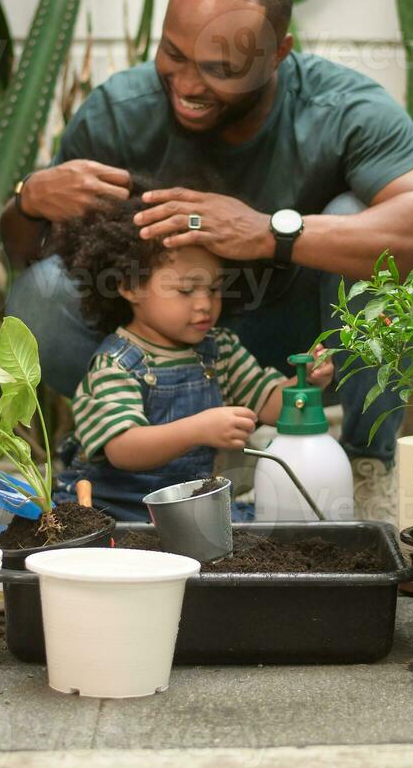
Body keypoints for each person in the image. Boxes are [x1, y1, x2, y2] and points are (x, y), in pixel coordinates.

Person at [0, 0, 413, 517]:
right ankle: (135, 455)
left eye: (220, 70)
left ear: (279, 54)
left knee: (361, 222)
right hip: (155, 356)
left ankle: (363, 466)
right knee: (45, 293)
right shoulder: (120, 113)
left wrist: (273, 232)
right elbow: (29, 253)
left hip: (304, 344)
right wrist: (29, 201)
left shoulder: (338, 107)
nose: (187, 84)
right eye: (172, 54)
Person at [48, 190, 333, 522]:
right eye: (185, 290)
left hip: (189, 511)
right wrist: (197, 429)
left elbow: (268, 403)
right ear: (130, 287)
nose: (204, 304)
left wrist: (303, 383)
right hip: (119, 511)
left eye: (214, 289)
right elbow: (122, 447)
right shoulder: (116, 363)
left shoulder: (219, 350)